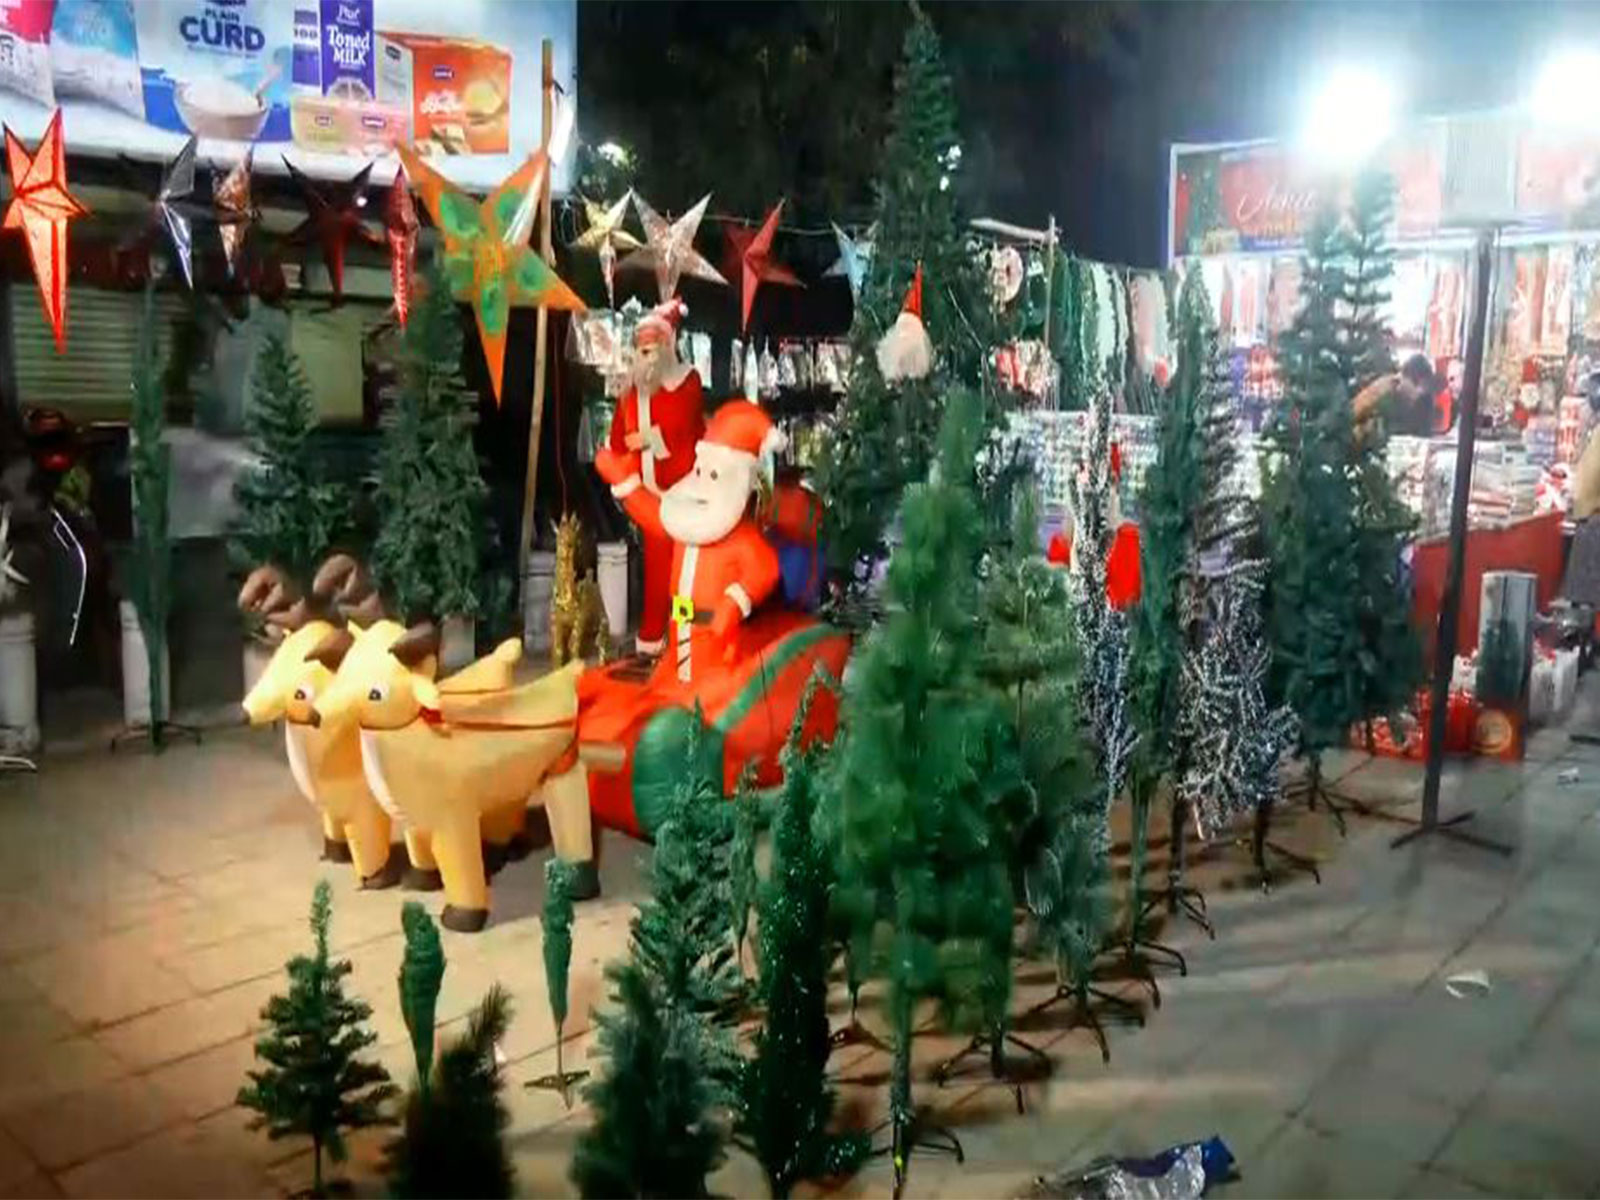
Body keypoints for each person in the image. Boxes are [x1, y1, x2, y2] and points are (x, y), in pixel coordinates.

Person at [603, 298, 705, 657]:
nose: (647, 356)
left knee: (683, 575)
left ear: (667, 347)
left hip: (685, 495)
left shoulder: (687, 380)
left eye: (653, 348)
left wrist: (650, 439)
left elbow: (683, 425)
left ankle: (685, 635)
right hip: (649, 499)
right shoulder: (629, 394)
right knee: (656, 571)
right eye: (641, 349)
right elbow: (616, 441)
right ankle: (651, 639)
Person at [1352, 354, 1447, 438]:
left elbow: (1423, 432)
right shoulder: (1381, 390)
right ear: (1404, 378)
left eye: (1423, 388)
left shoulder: (1422, 400)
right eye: (1416, 385)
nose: (1419, 393)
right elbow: (1349, 419)